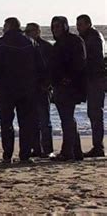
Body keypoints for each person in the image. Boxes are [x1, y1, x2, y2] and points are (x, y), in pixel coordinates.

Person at [0, 17, 45, 164]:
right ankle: (24, 155)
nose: (3, 29)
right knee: (26, 123)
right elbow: (40, 66)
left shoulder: (0, 44)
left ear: (8, 27)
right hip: (27, 90)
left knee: (6, 123)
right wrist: (39, 84)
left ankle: (7, 155)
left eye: (4, 26)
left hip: (6, 90)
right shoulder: (30, 43)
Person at [50, 16, 87, 161]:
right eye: (53, 27)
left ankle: (67, 152)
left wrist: (68, 78)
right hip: (61, 85)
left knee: (67, 119)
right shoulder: (59, 44)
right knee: (68, 118)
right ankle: (76, 152)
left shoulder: (74, 41)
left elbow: (80, 63)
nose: (55, 30)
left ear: (65, 26)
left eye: (58, 26)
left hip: (70, 86)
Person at [76, 14, 105, 157]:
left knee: (95, 113)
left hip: (95, 79)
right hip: (94, 78)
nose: (78, 28)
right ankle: (97, 146)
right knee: (94, 113)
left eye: (80, 25)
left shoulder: (93, 37)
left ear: (88, 24)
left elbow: (88, 57)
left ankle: (98, 147)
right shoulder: (92, 36)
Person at [24, 23, 54, 158]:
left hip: (43, 88)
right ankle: (36, 148)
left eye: (29, 31)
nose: (27, 33)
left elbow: (52, 68)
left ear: (38, 31)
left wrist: (47, 84)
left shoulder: (46, 47)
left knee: (45, 120)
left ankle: (47, 150)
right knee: (33, 121)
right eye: (26, 31)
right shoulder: (26, 46)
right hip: (30, 88)